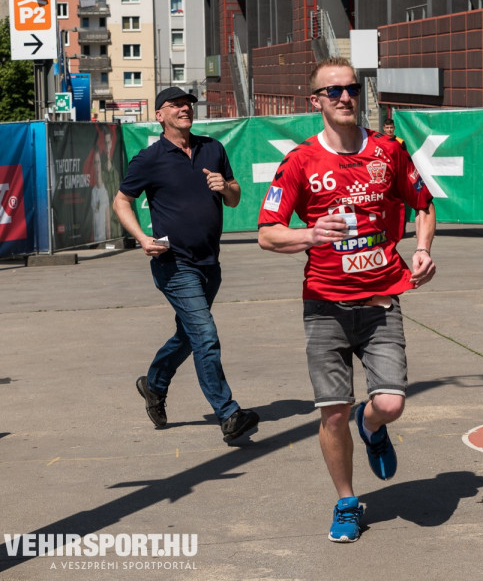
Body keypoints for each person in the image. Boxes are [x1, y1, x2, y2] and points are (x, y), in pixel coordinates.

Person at [257, 57, 436, 543]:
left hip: (381, 302)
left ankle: (372, 427)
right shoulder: (300, 161)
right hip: (325, 306)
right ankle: (347, 502)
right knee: (333, 412)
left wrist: (422, 249)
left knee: (390, 403)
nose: (344, 97)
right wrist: (309, 233)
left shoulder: (388, 151)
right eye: (332, 91)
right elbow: (267, 233)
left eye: (351, 89)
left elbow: (424, 205)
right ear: (315, 101)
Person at [112, 87, 260, 442]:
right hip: (174, 263)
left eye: (188, 104)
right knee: (205, 335)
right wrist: (142, 238)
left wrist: (225, 187)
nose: (184, 109)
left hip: (210, 261)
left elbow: (235, 197)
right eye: (175, 105)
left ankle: (154, 384)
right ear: (159, 115)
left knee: (190, 334)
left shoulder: (213, 148)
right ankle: (228, 413)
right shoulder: (149, 158)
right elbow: (121, 201)